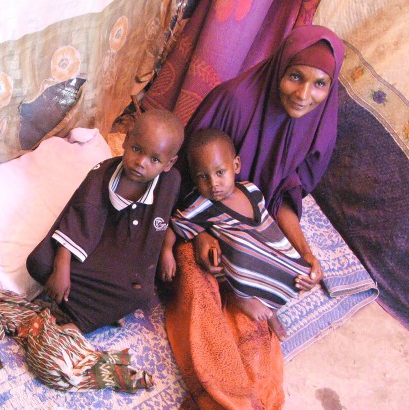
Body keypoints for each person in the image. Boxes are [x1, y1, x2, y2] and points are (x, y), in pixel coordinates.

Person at [162, 25, 345, 408]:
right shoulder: (234, 102)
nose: (303, 94)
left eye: (319, 84)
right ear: (280, 67)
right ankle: (221, 398)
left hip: (250, 227)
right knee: (197, 288)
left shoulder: (316, 123)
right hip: (199, 219)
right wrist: (200, 236)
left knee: (258, 321)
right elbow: (182, 177)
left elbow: (282, 199)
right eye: (295, 76)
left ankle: (253, 401)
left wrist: (304, 252)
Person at [26, 109, 184, 334]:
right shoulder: (101, 175)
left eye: (155, 159)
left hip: (125, 265)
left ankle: (82, 322)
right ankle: (103, 310)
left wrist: (167, 249)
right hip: (90, 252)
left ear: (169, 163)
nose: (141, 162)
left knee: (140, 292)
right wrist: (62, 266)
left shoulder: (170, 183)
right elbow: (77, 218)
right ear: (126, 140)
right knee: (40, 263)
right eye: (136, 149)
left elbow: (174, 218)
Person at [161, 128, 317, 341]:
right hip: (238, 264)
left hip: (265, 246)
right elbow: (174, 226)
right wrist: (167, 251)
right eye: (203, 177)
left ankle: (271, 305)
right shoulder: (201, 204)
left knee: (300, 271)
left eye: (220, 172)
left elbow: (268, 225)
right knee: (241, 249)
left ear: (236, 166)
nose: (213, 184)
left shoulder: (251, 190)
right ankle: (241, 297)